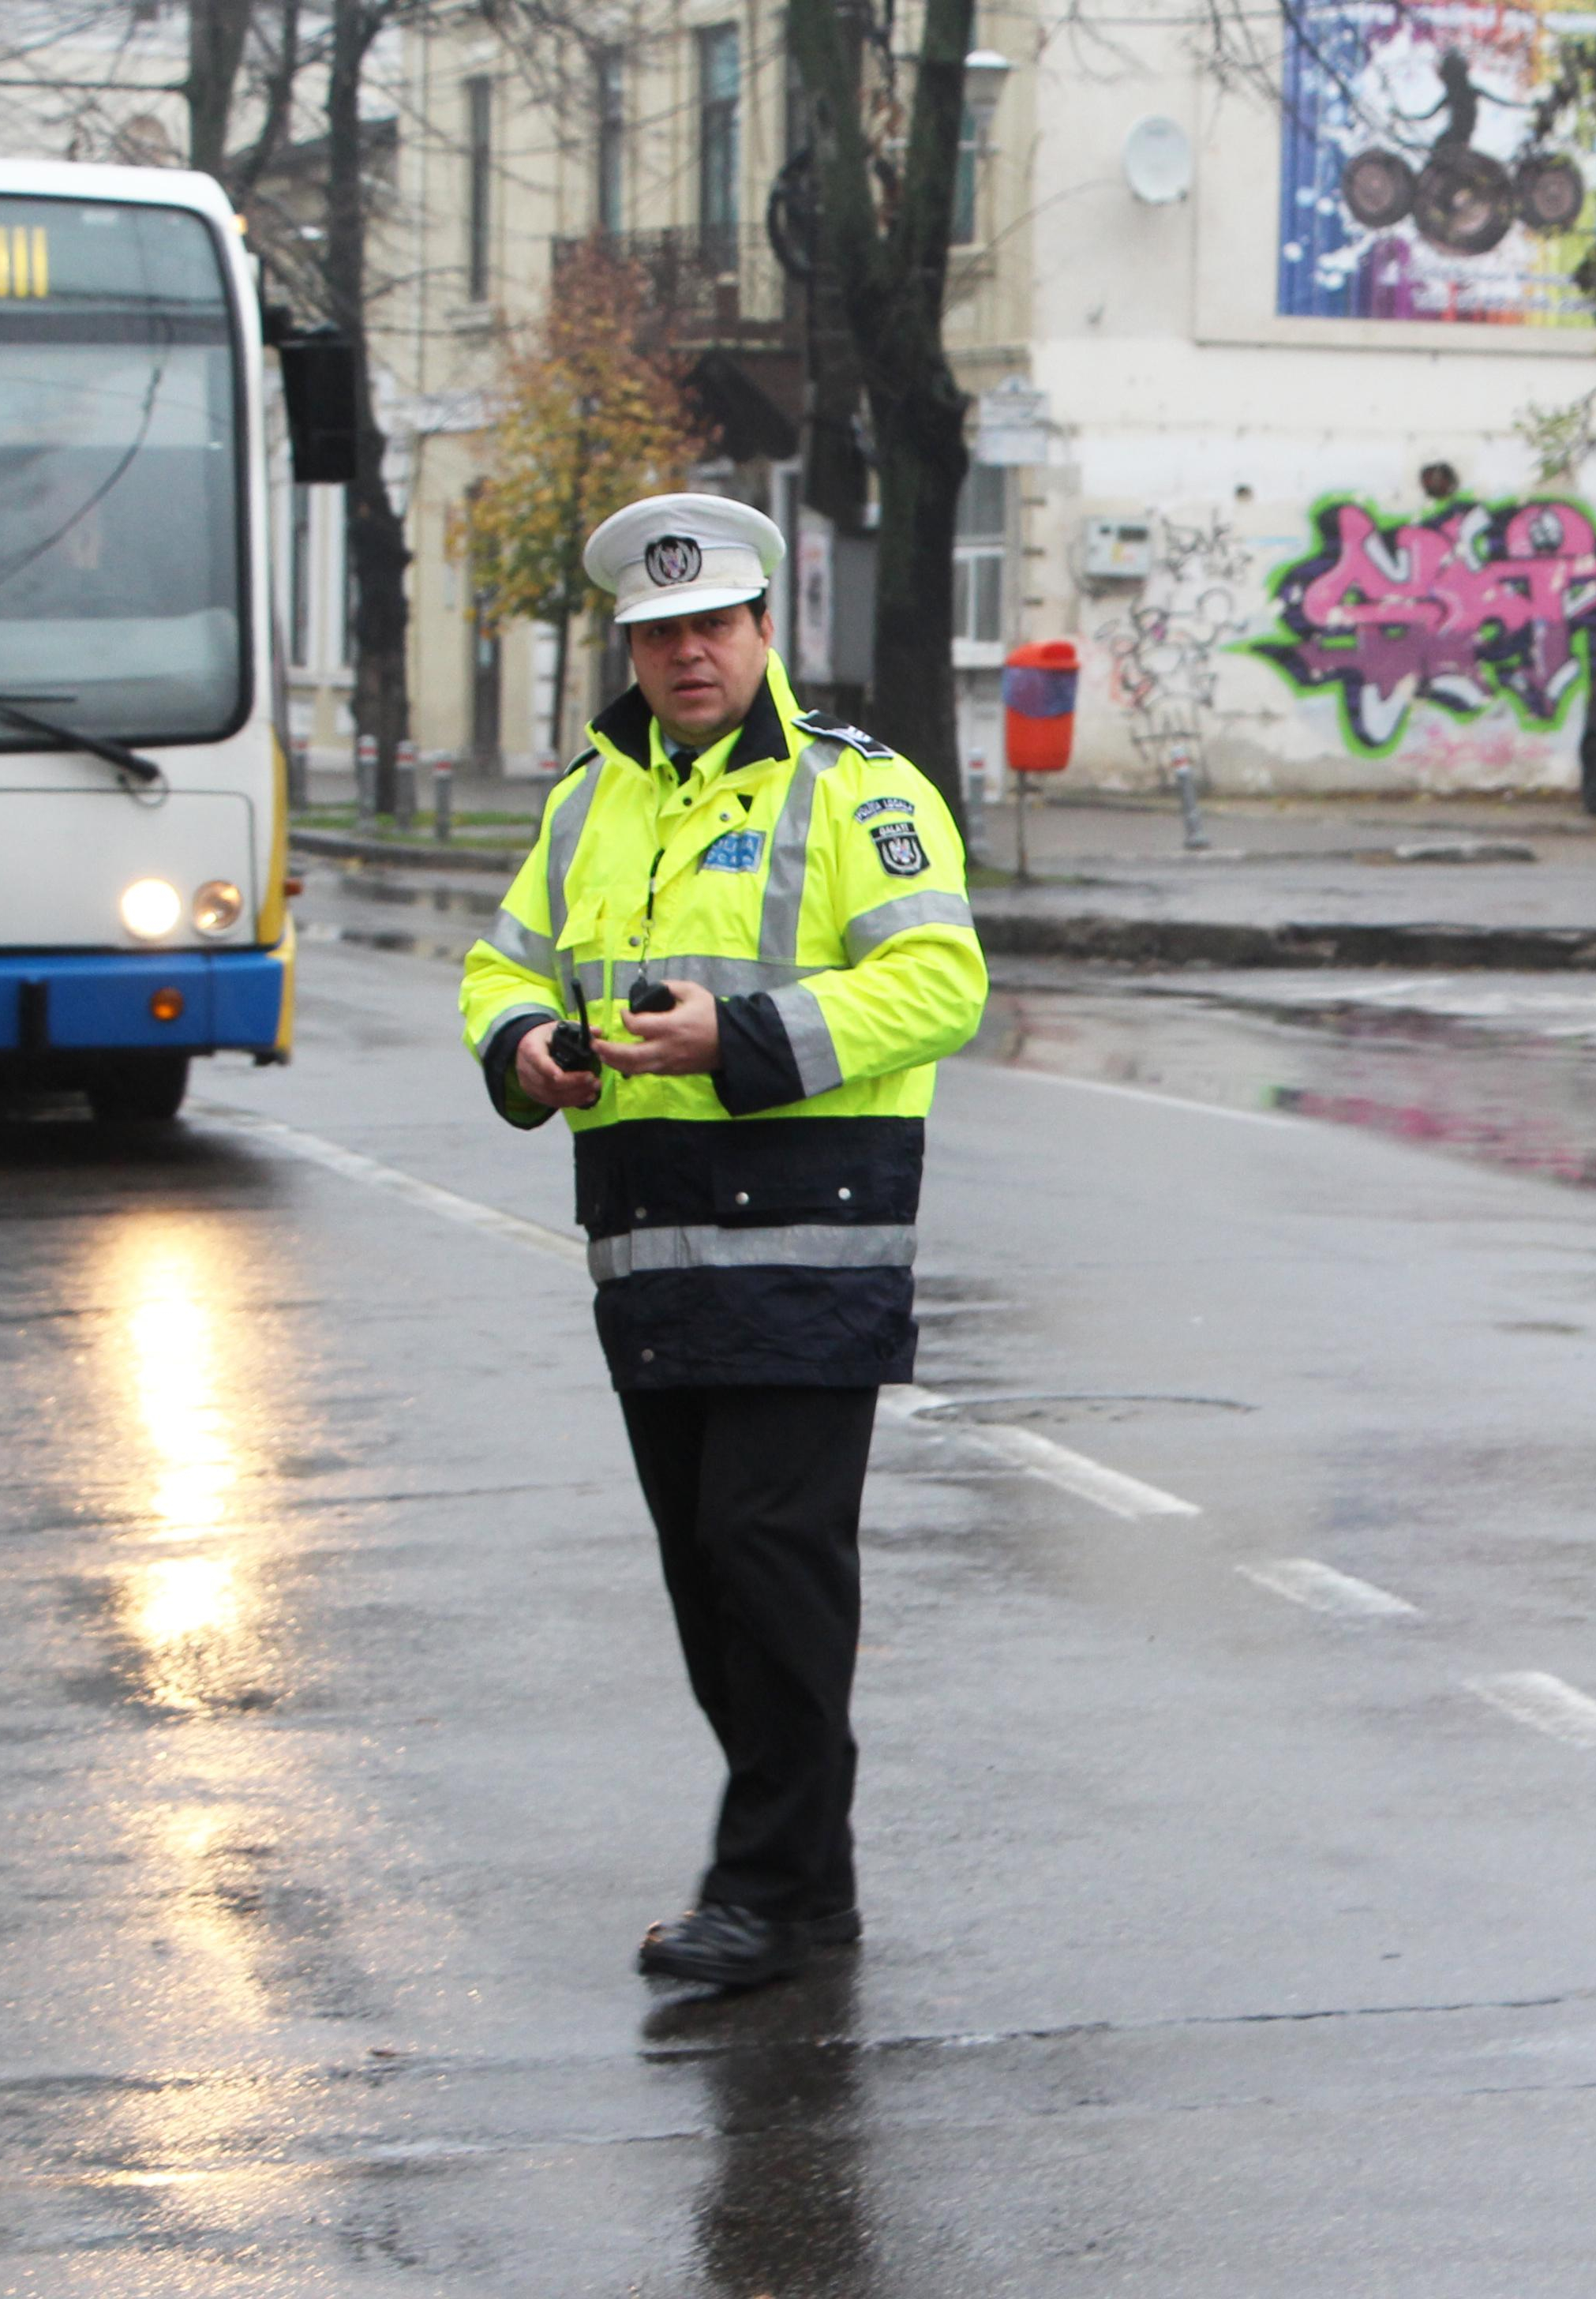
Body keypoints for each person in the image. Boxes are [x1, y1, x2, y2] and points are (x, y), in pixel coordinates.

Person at [457, 492, 987, 1986]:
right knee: (709, 1575)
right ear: (629, 646)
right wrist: (524, 1048)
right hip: (648, 1247)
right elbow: (500, 959)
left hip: (806, 1240)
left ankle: (764, 1887)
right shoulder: (588, 801)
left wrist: (736, 1035)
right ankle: (803, 1888)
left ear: (765, 635)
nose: (688, 655)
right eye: (659, 633)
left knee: (770, 1555)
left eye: (713, 627)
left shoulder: (853, 791)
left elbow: (939, 983)